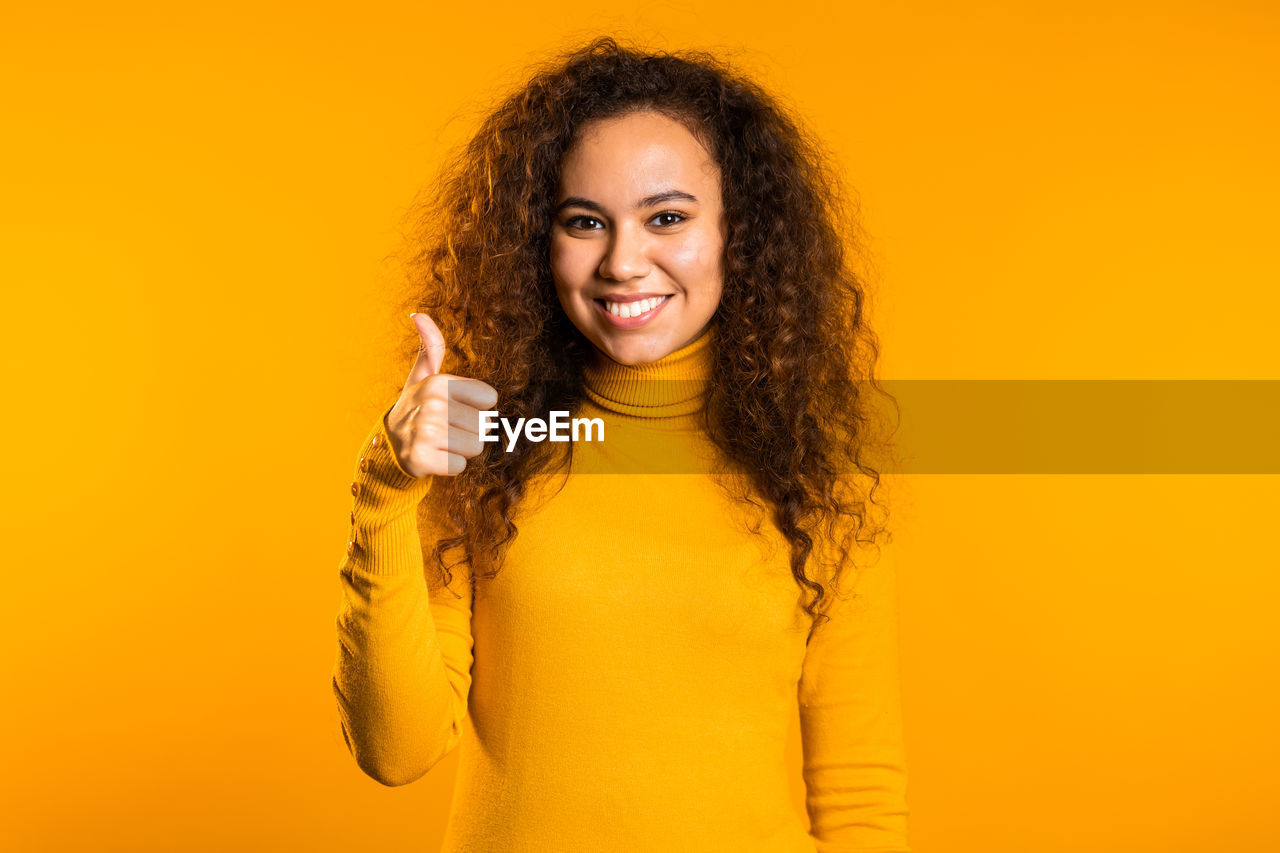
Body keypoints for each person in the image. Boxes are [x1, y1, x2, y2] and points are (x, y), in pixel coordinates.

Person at [332, 36, 911, 852]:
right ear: (542, 240)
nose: (624, 262)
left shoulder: (818, 478)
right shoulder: (494, 448)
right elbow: (394, 750)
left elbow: (861, 796)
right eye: (585, 222)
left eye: (666, 217)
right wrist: (388, 489)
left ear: (737, 234)